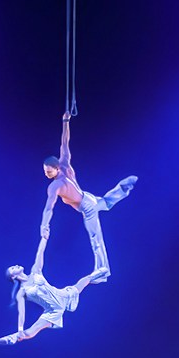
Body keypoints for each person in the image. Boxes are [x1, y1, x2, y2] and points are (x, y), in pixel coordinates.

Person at [39, 113, 136, 282]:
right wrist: (65, 121)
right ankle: (123, 188)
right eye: (45, 171)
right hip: (88, 196)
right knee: (105, 202)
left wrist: (44, 225)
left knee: (95, 237)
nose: (46, 174)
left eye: (48, 172)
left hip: (86, 207)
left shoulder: (54, 186)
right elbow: (64, 141)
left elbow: (49, 207)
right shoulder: (65, 163)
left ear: (55, 169)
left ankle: (102, 270)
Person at [0, 241, 103, 344]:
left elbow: (40, 252)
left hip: (63, 295)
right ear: (13, 276)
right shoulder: (21, 292)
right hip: (52, 311)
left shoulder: (35, 271)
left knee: (84, 281)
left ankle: (100, 272)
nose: (15, 265)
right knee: (32, 331)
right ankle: (12, 338)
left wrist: (44, 238)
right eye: (12, 268)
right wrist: (20, 329)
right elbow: (22, 312)